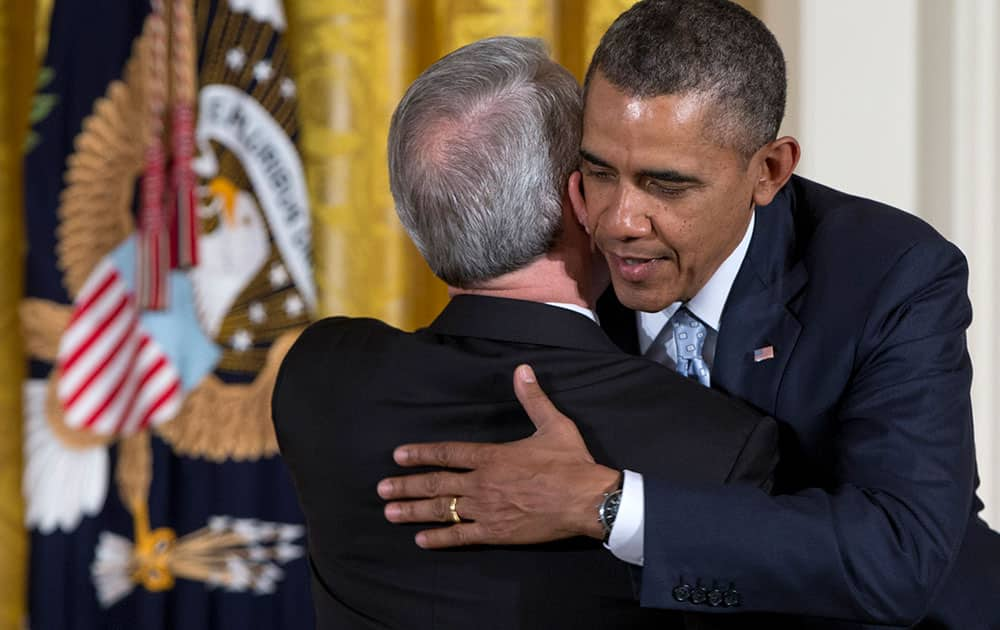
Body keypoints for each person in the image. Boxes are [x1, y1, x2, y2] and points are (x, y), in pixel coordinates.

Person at [376, 1, 1000, 628]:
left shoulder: (892, 274)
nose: (618, 222)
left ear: (769, 170)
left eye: (666, 186)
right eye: (599, 172)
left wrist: (606, 504)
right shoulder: (563, 258)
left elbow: (898, 557)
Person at [272, 35, 780, 629]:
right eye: (602, 173)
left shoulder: (320, 376)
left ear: (413, 211)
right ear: (581, 201)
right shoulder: (715, 444)